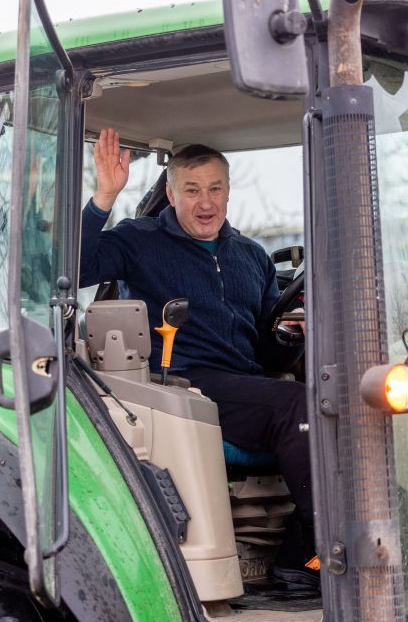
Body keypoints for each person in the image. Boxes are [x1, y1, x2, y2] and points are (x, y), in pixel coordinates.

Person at [79, 128, 317, 589]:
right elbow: (78, 267)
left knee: (336, 398)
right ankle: (312, 554)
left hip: (243, 389)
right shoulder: (139, 241)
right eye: (191, 190)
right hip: (179, 387)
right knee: (296, 404)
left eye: (214, 189)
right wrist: (104, 197)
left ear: (227, 192)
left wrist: (292, 335)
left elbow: (265, 346)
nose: (204, 202)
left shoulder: (252, 257)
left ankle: (309, 550)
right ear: (171, 194)